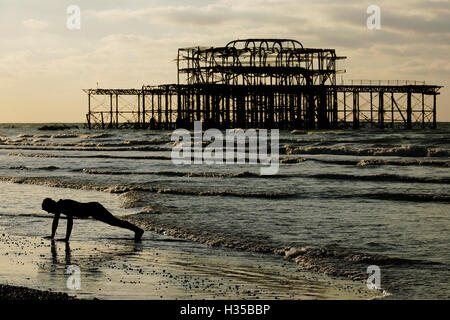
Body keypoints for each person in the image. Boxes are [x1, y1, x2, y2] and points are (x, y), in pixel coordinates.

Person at [41, 198, 144, 242]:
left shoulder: (64, 205)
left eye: (48, 210)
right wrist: (52, 235)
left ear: (51, 205)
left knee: (115, 222)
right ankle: (137, 230)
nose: (49, 213)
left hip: (94, 209)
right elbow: (55, 222)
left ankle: (138, 230)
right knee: (115, 222)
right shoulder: (59, 207)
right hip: (92, 211)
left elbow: (70, 222)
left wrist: (66, 238)